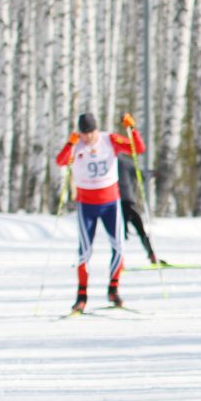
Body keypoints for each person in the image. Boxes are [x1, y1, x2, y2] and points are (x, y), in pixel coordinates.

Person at [55, 112, 146, 312]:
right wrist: (70, 144)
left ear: (96, 129)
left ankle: (113, 289)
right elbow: (60, 161)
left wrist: (131, 129)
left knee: (119, 246)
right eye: (84, 133)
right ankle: (81, 296)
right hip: (86, 205)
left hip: (110, 204)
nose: (88, 137)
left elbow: (137, 148)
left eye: (91, 132)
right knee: (85, 251)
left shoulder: (109, 140)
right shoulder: (77, 144)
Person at [117, 153, 161, 266]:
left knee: (120, 233)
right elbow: (141, 175)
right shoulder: (126, 162)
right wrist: (151, 174)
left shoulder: (113, 160)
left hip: (117, 202)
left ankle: (119, 260)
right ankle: (151, 255)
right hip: (124, 201)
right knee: (137, 230)